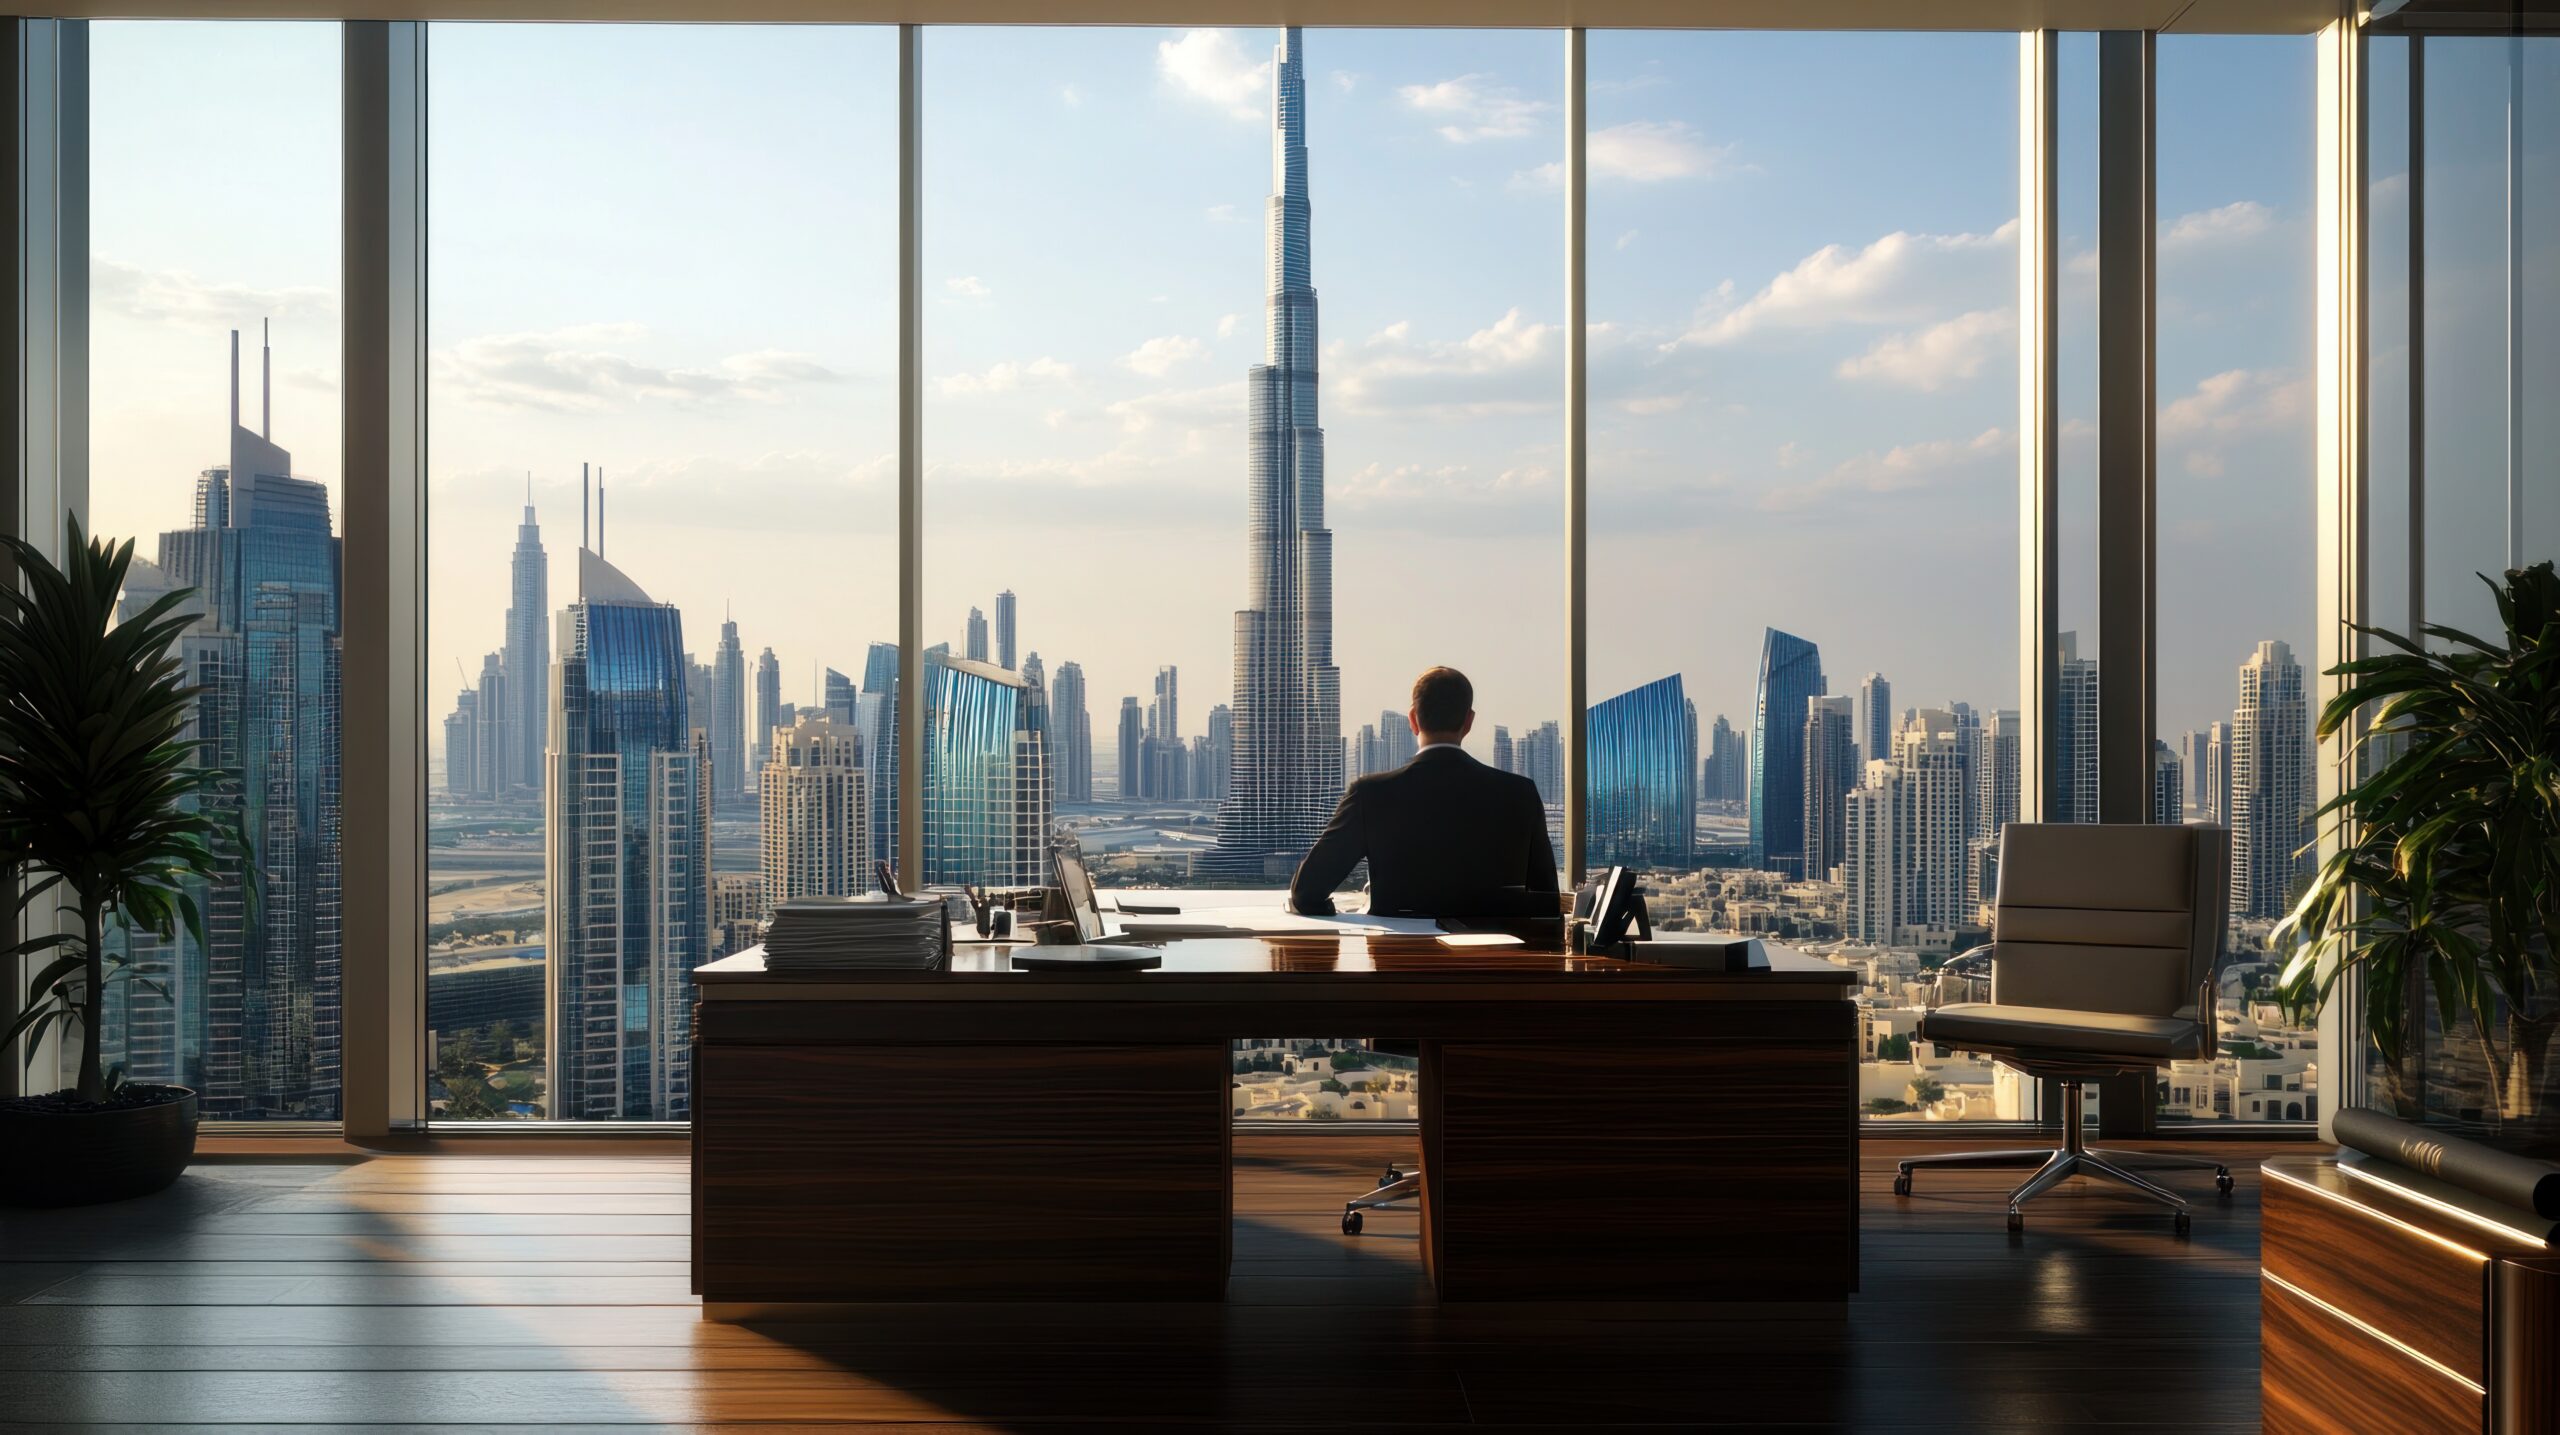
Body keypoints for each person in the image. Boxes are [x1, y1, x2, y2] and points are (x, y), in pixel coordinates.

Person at [1288, 666, 1558, 918]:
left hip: (1400, 963)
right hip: (1493, 962)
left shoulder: (1371, 794)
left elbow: (1306, 893)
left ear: (1413, 720)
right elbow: (1546, 902)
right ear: (1469, 721)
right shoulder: (1520, 793)